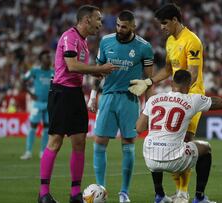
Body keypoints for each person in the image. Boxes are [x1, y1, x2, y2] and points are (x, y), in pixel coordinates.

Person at [38, 5, 118, 203]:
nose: (101, 23)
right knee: (55, 142)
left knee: (80, 142)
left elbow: (79, 69)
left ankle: (75, 194)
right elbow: (71, 66)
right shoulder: (70, 37)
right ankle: (43, 193)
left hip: (74, 93)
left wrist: (94, 72)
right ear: (86, 20)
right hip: (61, 92)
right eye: (98, 19)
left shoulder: (83, 41)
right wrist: (96, 68)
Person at [136, 69, 222, 203]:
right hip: (175, 159)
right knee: (205, 148)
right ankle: (199, 197)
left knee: (155, 141)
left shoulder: (154, 99)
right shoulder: (192, 100)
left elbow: (139, 128)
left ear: (172, 82)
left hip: (150, 158)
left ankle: (159, 195)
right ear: (189, 84)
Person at [128, 4, 204, 202]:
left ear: (175, 20)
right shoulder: (170, 41)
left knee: (185, 140)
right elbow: (169, 70)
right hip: (177, 93)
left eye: (164, 23)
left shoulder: (192, 41)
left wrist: (183, 97)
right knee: (172, 141)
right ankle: (179, 191)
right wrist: (148, 81)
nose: (161, 27)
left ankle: (183, 193)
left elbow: (193, 75)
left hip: (191, 95)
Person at [87, 10, 154, 203]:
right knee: (99, 142)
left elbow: (149, 80)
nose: (119, 29)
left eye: (124, 26)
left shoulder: (144, 47)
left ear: (133, 26)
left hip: (130, 99)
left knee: (128, 145)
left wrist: (148, 107)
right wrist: (93, 96)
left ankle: (124, 192)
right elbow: (98, 71)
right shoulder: (106, 41)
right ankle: (101, 189)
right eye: (117, 25)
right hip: (107, 97)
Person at [20, 50, 53, 160]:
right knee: (33, 125)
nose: (49, 59)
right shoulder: (35, 71)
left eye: (49, 57)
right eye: (46, 57)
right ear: (41, 60)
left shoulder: (54, 72)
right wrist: (31, 93)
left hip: (49, 104)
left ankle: (43, 152)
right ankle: (28, 151)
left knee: (47, 127)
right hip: (37, 103)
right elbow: (23, 80)